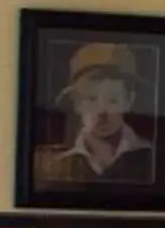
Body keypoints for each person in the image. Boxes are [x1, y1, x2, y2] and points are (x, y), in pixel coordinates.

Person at [30, 42, 158, 198]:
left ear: (129, 100)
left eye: (113, 100)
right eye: (91, 99)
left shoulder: (152, 159)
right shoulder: (51, 164)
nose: (101, 112)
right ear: (76, 103)